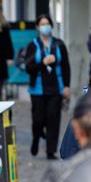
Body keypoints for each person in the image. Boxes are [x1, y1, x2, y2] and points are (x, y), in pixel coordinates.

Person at [24, 14, 70, 160]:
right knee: (38, 119)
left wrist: (67, 86)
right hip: (37, 88)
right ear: (37, 27)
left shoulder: (59, 44)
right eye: (42, 24)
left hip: (56, 87)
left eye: (47, 23)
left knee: (53, 118)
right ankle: (36, 138)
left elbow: (66, 66)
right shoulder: (33, 45)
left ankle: (51, 151)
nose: (45, 26)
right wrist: (42, 62)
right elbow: (28, 67)